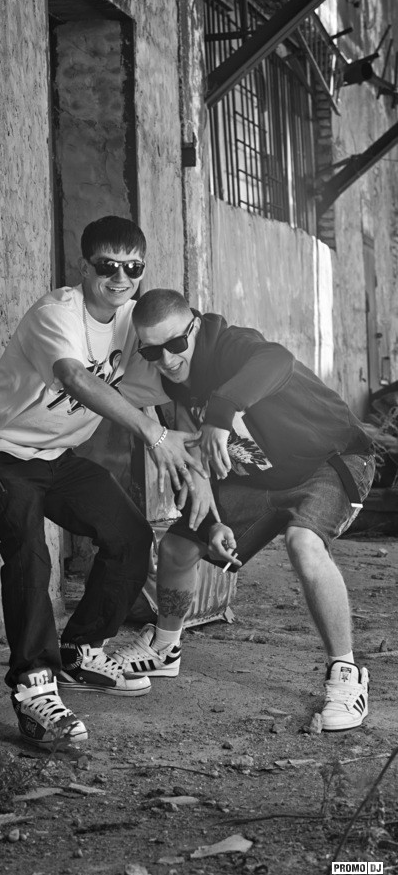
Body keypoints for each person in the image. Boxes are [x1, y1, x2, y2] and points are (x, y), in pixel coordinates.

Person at [0, 219, 206, 749]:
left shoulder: (135, 322)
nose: (120, 278)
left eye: (132, 267)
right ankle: (34, 688)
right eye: (107, 266)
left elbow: (178, 371)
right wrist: (155, 436)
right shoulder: (57, 313)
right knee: (28, 547)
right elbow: (75, 378)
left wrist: (208, 443)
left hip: (56, 458)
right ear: (85, 267)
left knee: (130, 535)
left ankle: (81, 649)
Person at [110, 289, 375, 732]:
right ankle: (165, 647)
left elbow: (277, 360)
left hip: (332, 461)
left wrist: (220, 413)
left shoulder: (231, 345)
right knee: (177, 548)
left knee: (303, 543)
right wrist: (215, 523)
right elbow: (200, 463)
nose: (167, 360)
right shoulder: (172, 383)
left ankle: (347, 674)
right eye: (152, 351)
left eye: (175, 344)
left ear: (195, 327)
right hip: (261, 479)